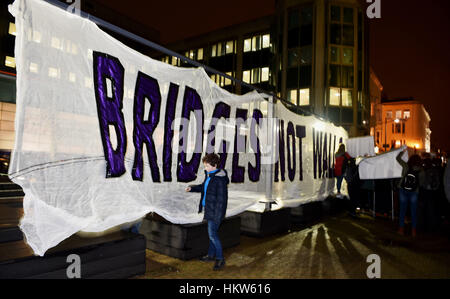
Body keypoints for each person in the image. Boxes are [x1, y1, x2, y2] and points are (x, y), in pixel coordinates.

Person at [185, 153, 229, 271]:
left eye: (207, 166)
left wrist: (218, 216)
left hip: (215, 212)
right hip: (208, 209)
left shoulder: (219, 179)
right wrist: (192, 188)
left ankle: (220, 259)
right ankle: (211, 255)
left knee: (213, 235)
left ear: (214, 165)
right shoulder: (210, 175)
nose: (205, 168)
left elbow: (222, 200)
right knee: (211, 235)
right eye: (205, 166)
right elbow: (203, 187)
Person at [396, 149, 423, 237]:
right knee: (413, 212)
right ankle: (413, 231)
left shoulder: (406, 166)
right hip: (414, 192)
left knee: (402, 211)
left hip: (403, 190)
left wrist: (401, 152)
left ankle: (401, 229)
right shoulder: (421, 170)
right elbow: (421, 183)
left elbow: (398, 158)